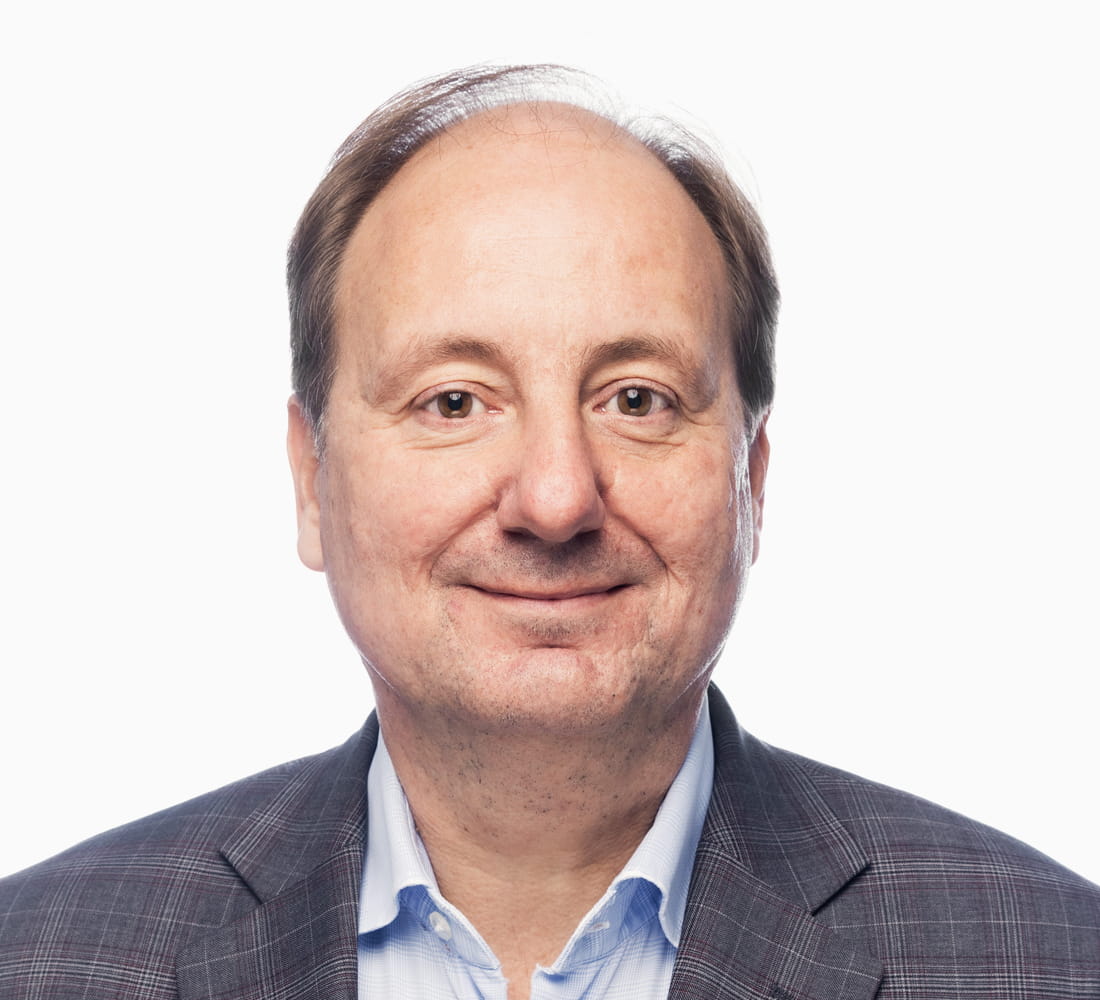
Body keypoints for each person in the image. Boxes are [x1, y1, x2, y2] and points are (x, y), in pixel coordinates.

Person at [1, 64, 1097, 1000]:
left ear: (751, 479)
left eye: (636, 399)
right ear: (311, 478)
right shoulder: (40, 960)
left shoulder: (1052, 962)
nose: (557, 498)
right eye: (453, 401)